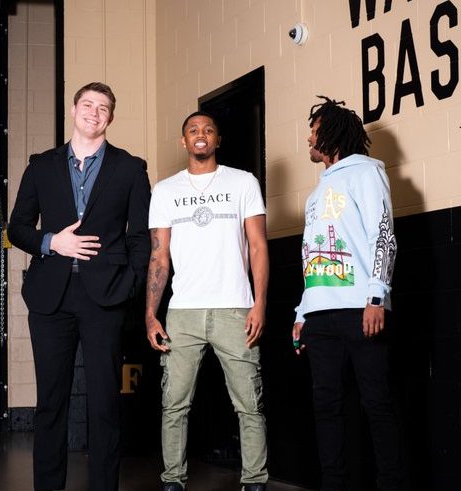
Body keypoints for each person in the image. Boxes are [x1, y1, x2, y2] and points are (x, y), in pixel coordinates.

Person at [8, 82, 151, 491]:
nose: (94, 112)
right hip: (50, 298)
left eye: (103, 107)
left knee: (104, 403)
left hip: (105, 297)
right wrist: (53, 242)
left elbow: (141, 237)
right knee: (51, 403)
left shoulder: (130, 168)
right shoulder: (40, 166)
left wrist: (132, 286)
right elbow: (16, 228)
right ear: (74, 110)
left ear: (111, 117)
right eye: (87, 104)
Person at [145, 111, 269, 491]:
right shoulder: (165, 191)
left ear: (218, 139)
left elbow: (259, 246)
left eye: (208, 130)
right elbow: (158, 257)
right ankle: (173, 481)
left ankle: (255, 481)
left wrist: (259, 303)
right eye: (193, 131)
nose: (201, 136)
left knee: (249, 403)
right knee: (174, 405)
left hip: (235, 308)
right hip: (182, 311)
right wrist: (151, 314)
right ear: (184, 141)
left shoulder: (243, 182)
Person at [292, 96, 401, 491]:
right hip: (320, 316)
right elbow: (311, 257)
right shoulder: (316, 193)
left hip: (360, 309)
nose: (309, 136)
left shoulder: (367, 174)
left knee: (377, 403)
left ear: (333, 134)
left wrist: (376, 297)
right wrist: (302, 313)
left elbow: (382, 237)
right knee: (327, 408)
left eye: (315, 130)